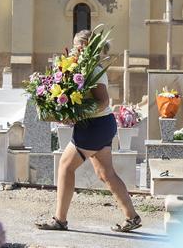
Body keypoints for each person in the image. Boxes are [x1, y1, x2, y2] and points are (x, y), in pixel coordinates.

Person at [35, 30, 142, 233]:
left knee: (66, 167)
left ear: (86, 47)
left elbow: (103, 101)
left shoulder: (92, 71)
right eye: (73, 45)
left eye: (77, 45)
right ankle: (132, 217)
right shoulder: (86, 68)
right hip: (102, 125)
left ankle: (60, 219)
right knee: (105, 173)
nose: (74, 49)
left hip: (94, 125)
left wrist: (79, 115)